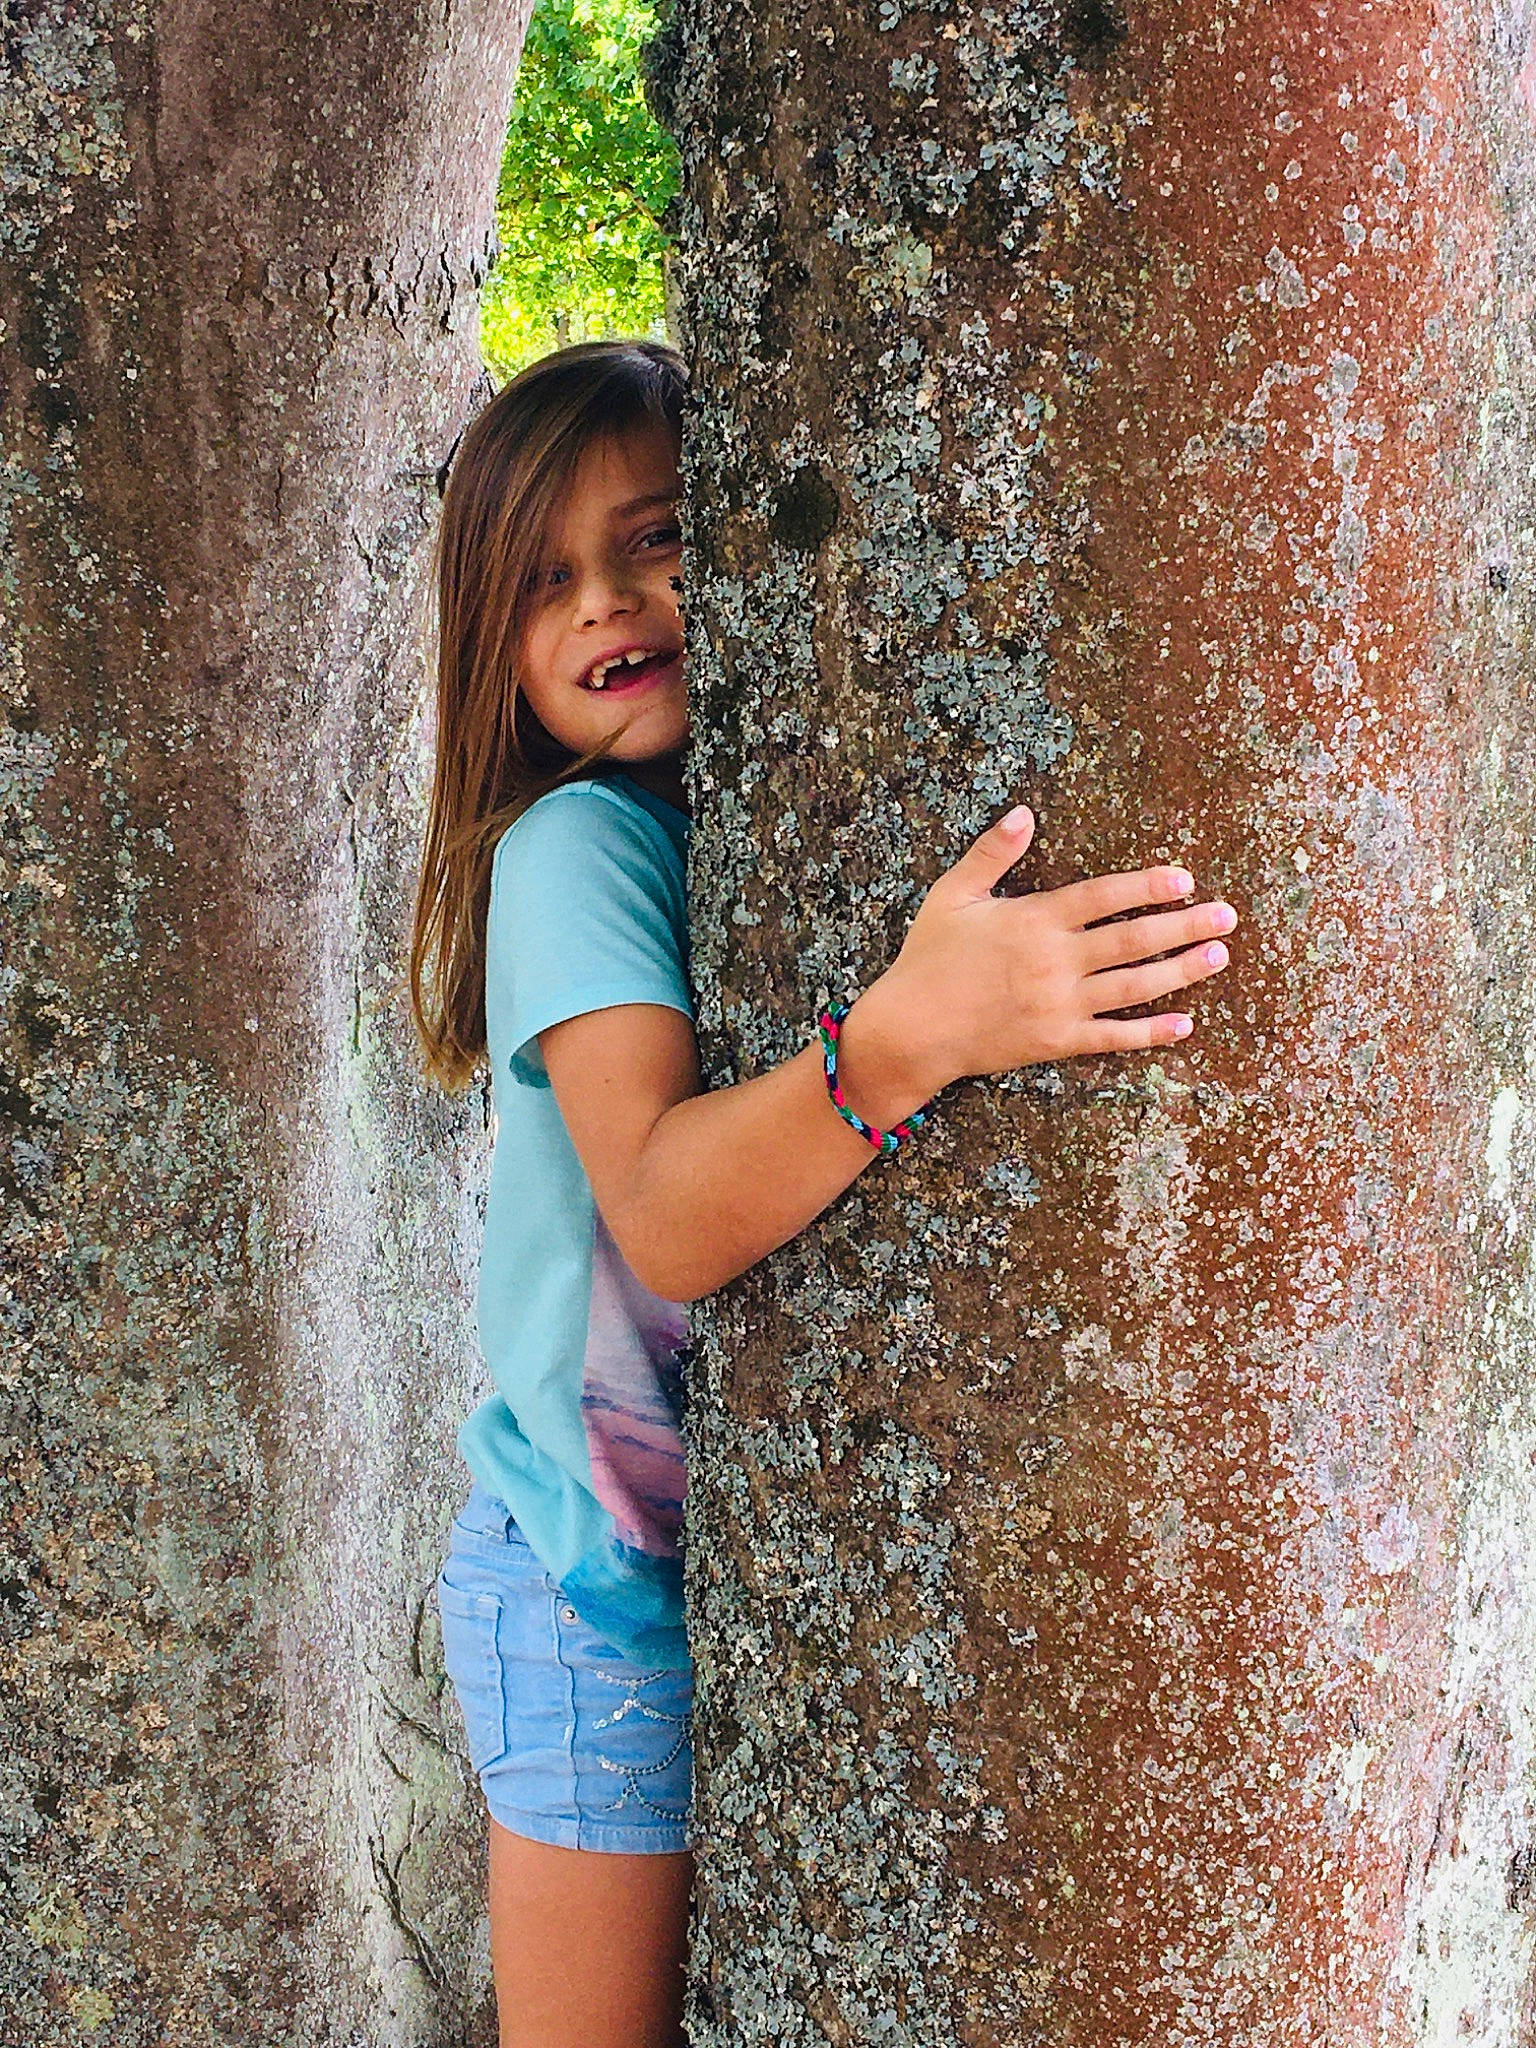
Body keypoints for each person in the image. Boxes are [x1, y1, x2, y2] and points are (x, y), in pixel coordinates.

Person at [408, 337, 1238, 2048]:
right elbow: (660, 1208)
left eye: (658, 541)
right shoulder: (574, 849)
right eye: (544, 579)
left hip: (697, 1576)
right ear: (489, 649)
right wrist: (908, 1041)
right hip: (587, 1601)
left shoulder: (733, 818)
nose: (605, 605)